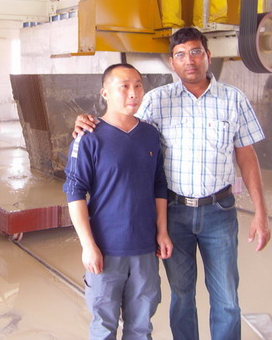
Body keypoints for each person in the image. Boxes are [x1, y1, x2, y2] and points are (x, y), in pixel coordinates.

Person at [74, 28, 271, 340]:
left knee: (227, 298)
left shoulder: (234, 100)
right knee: (181, 296)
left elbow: (247, 157)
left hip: (219, 213)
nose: (189, 60)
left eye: (195, 52)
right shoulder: (156, 101)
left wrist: (261, 213)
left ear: (208, 56)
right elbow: (122, 121)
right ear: (172, 62)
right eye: (180, 55)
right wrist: (88, 123)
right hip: (174, 213)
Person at [63, 63, 173, 339]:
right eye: (124, 86)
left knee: (141, 326)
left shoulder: (150, 134)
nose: (133, 93)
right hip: (106, 249)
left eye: (137, 86)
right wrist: (88, 246)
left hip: (145, 249)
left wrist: (161, 231)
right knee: (104, 326)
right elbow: (75, 191)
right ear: (105, 93)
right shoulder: (88, 137)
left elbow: (159, 184)